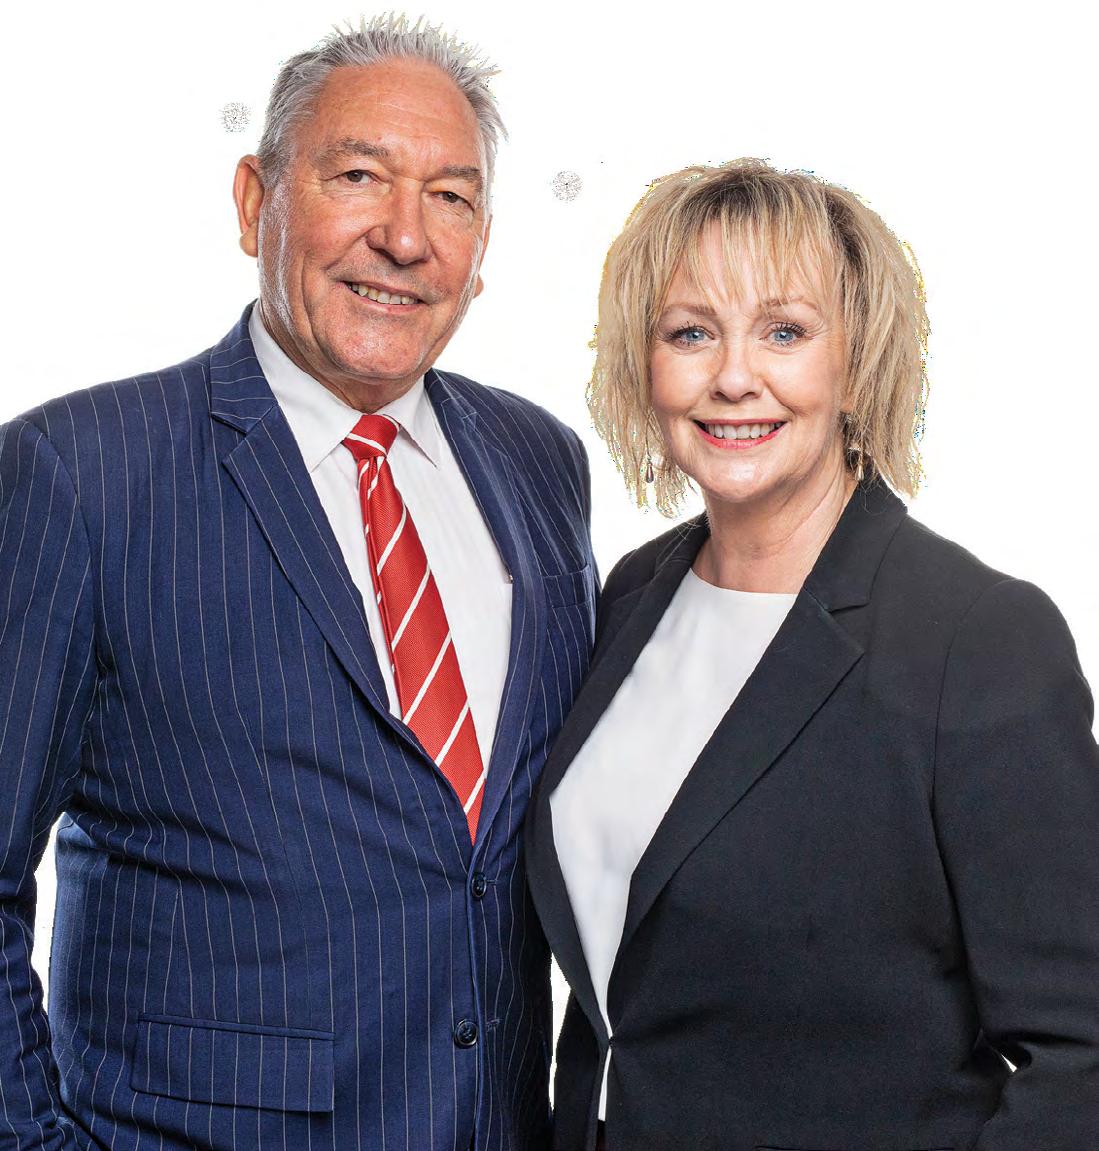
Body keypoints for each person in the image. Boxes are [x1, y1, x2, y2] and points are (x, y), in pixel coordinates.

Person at [0, 15, 595, 1151]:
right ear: (253, 201)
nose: (404, 236)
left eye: (451, 197)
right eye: (358, 176)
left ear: (482, 244)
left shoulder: (541, 463)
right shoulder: (80, 474)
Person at [525, 158, 1099, 1150]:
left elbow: (1079, 1055)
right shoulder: (633, 592)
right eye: (690, 331)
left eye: (783, 331)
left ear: (856, 360)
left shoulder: (975, 638)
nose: (731, 375)